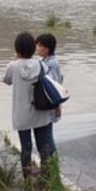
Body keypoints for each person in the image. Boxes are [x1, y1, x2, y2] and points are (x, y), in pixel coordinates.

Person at [5, 32, 58, 178]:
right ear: (33, 48)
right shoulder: (41, 64)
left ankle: (27, 177)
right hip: (40, 111)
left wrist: (15, 60)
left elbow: (7, 80)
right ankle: (48, 176)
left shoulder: (12, 66)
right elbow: (49, 80)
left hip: (21, 115)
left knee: (26, 147)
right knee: (44, 146)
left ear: (17, 48)